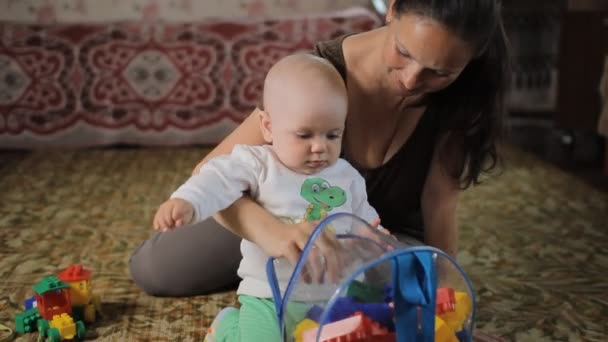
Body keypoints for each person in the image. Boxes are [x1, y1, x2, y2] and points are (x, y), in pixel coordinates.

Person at [129, 0, 510, 297]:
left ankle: (305, 278)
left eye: (440, 72)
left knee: (409, 287)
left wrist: (448, 307)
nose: (412, 80)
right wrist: (275, 235)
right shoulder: (319, 72)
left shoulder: (468, 94)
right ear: (391, 8)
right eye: (404, 52)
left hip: (376, 232)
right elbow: (210, 170)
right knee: (157, 270)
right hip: (281, 212)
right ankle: (276, 270)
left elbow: (439, 206)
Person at [153, 53, 384, 341]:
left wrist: (377, 238)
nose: (319, 147)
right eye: (304, 135)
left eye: (332, 135)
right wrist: (187, 202)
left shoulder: (346, 176)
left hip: (333, 293)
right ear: (268, 127)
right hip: (269, 293)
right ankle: (228, 327)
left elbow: (363, 218)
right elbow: (215, 178)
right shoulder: (258, 163)